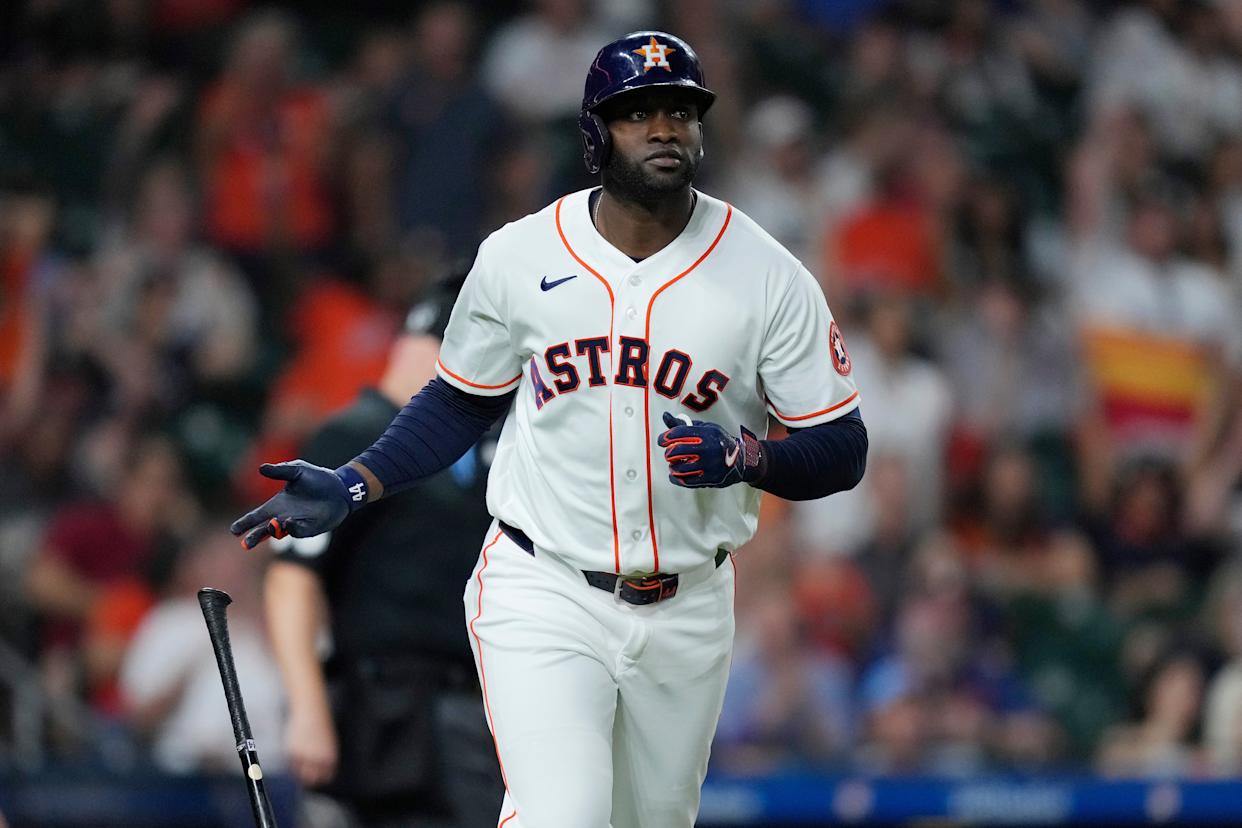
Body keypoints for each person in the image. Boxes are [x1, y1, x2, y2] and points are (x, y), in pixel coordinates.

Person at [232, 31, 868, 828]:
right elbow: (461, 398)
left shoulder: (769, 274)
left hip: (689, 600)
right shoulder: (521, 254)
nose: (664, 128)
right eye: (638, 113)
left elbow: (843, 448)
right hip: (545, 585)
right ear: (596, 134)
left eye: (679, 111)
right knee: (561, 816)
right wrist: (359, 481)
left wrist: (751, 457)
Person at [264, 278, 504, 827]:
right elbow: (293, 578)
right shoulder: (352, 439)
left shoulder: (486, 451)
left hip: (477, 709)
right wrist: (306, 707)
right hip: (388, 712)